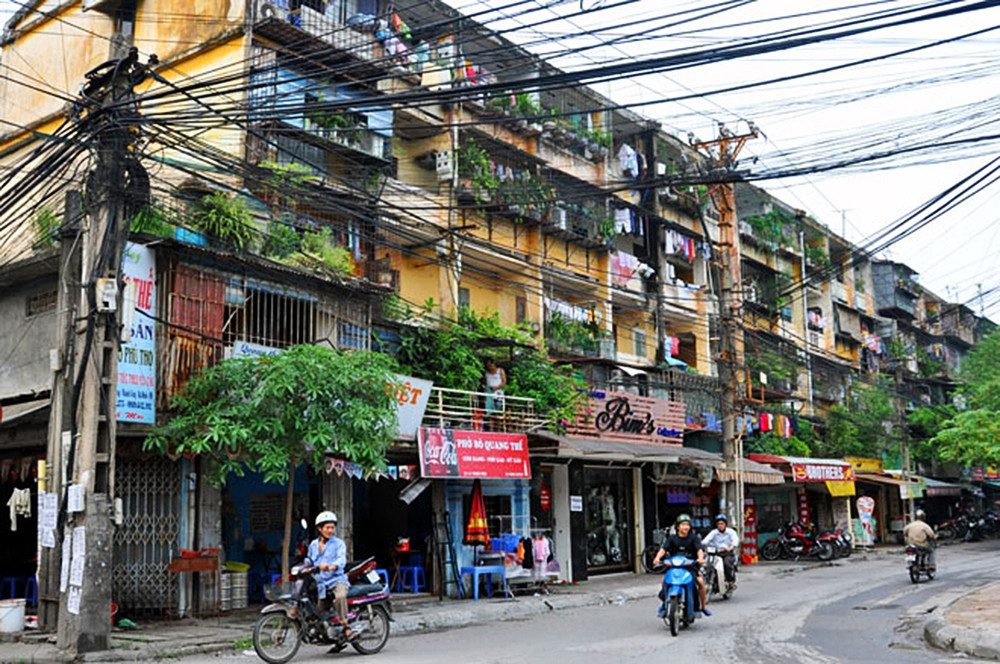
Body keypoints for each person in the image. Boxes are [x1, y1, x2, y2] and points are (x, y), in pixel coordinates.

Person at [304, 511, 354, 641]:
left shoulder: (339, 544)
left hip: (337, 580)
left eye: (332, 527)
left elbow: (341, 560)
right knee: (320, 611)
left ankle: (345, 625)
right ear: (320, 529)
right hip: (321, 582)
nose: (330, 530)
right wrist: (304, 566)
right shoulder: (314, 545)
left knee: (340, 596)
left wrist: (332, 566)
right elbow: (309, 559)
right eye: (327, 527)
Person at [652, 513, 710, 617]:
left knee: (700, 582)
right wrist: (657, 558)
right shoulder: (672, 538)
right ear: (678, 526)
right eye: (683, 524)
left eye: (687, 525)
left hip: (690, 567)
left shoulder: (694, 538)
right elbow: (663, 549)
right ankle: (665, 604)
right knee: (664, 580)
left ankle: (703, 607)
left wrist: (700, 558)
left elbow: (699, 550)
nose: (685, 527)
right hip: (674, 566)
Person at [702, 513, 740, 591]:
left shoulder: (731, 532)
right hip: (716, 553)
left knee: (727, 564)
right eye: (718, 524)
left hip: (727, 553)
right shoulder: (714, 532)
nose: (720, 525)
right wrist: (701, 545)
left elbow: (735, 541)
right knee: (709, 565)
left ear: (725, 524)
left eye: (722, 523)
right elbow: (705, 541)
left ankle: (730, 582)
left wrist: (731, 547)